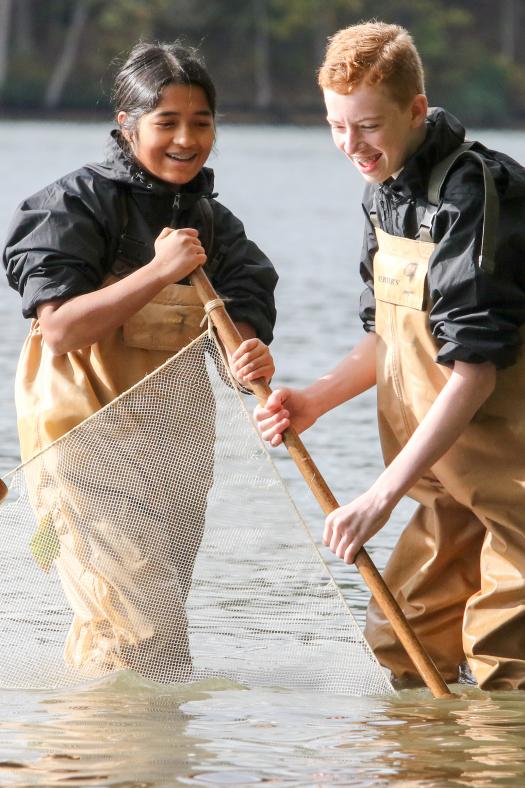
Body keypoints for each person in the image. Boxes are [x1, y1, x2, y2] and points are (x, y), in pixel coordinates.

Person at [254, 21, 525, 690]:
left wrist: (378, 496)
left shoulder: (474, 193)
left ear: (414, 109)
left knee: (503, 668)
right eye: (336, 126)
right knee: (402, 645)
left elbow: (473, 366)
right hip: (441, 483)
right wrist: (314, 398)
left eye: (367, 126)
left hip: (512, 489)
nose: (351, 146)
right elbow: (388, 336)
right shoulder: (385, 191)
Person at [3, 41, 277, 681]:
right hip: (81, 443)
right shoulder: (70, 206)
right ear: (127, 126)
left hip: (174, 451)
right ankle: (121, 761)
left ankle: (83, 764)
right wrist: (159, 271)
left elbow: (241, 337)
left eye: (202, 123)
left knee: (137, 617)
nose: (187, 139)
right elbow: (62, 330)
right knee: (142, 631)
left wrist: (248, 357)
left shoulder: (217, 225)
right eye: (167, 122)